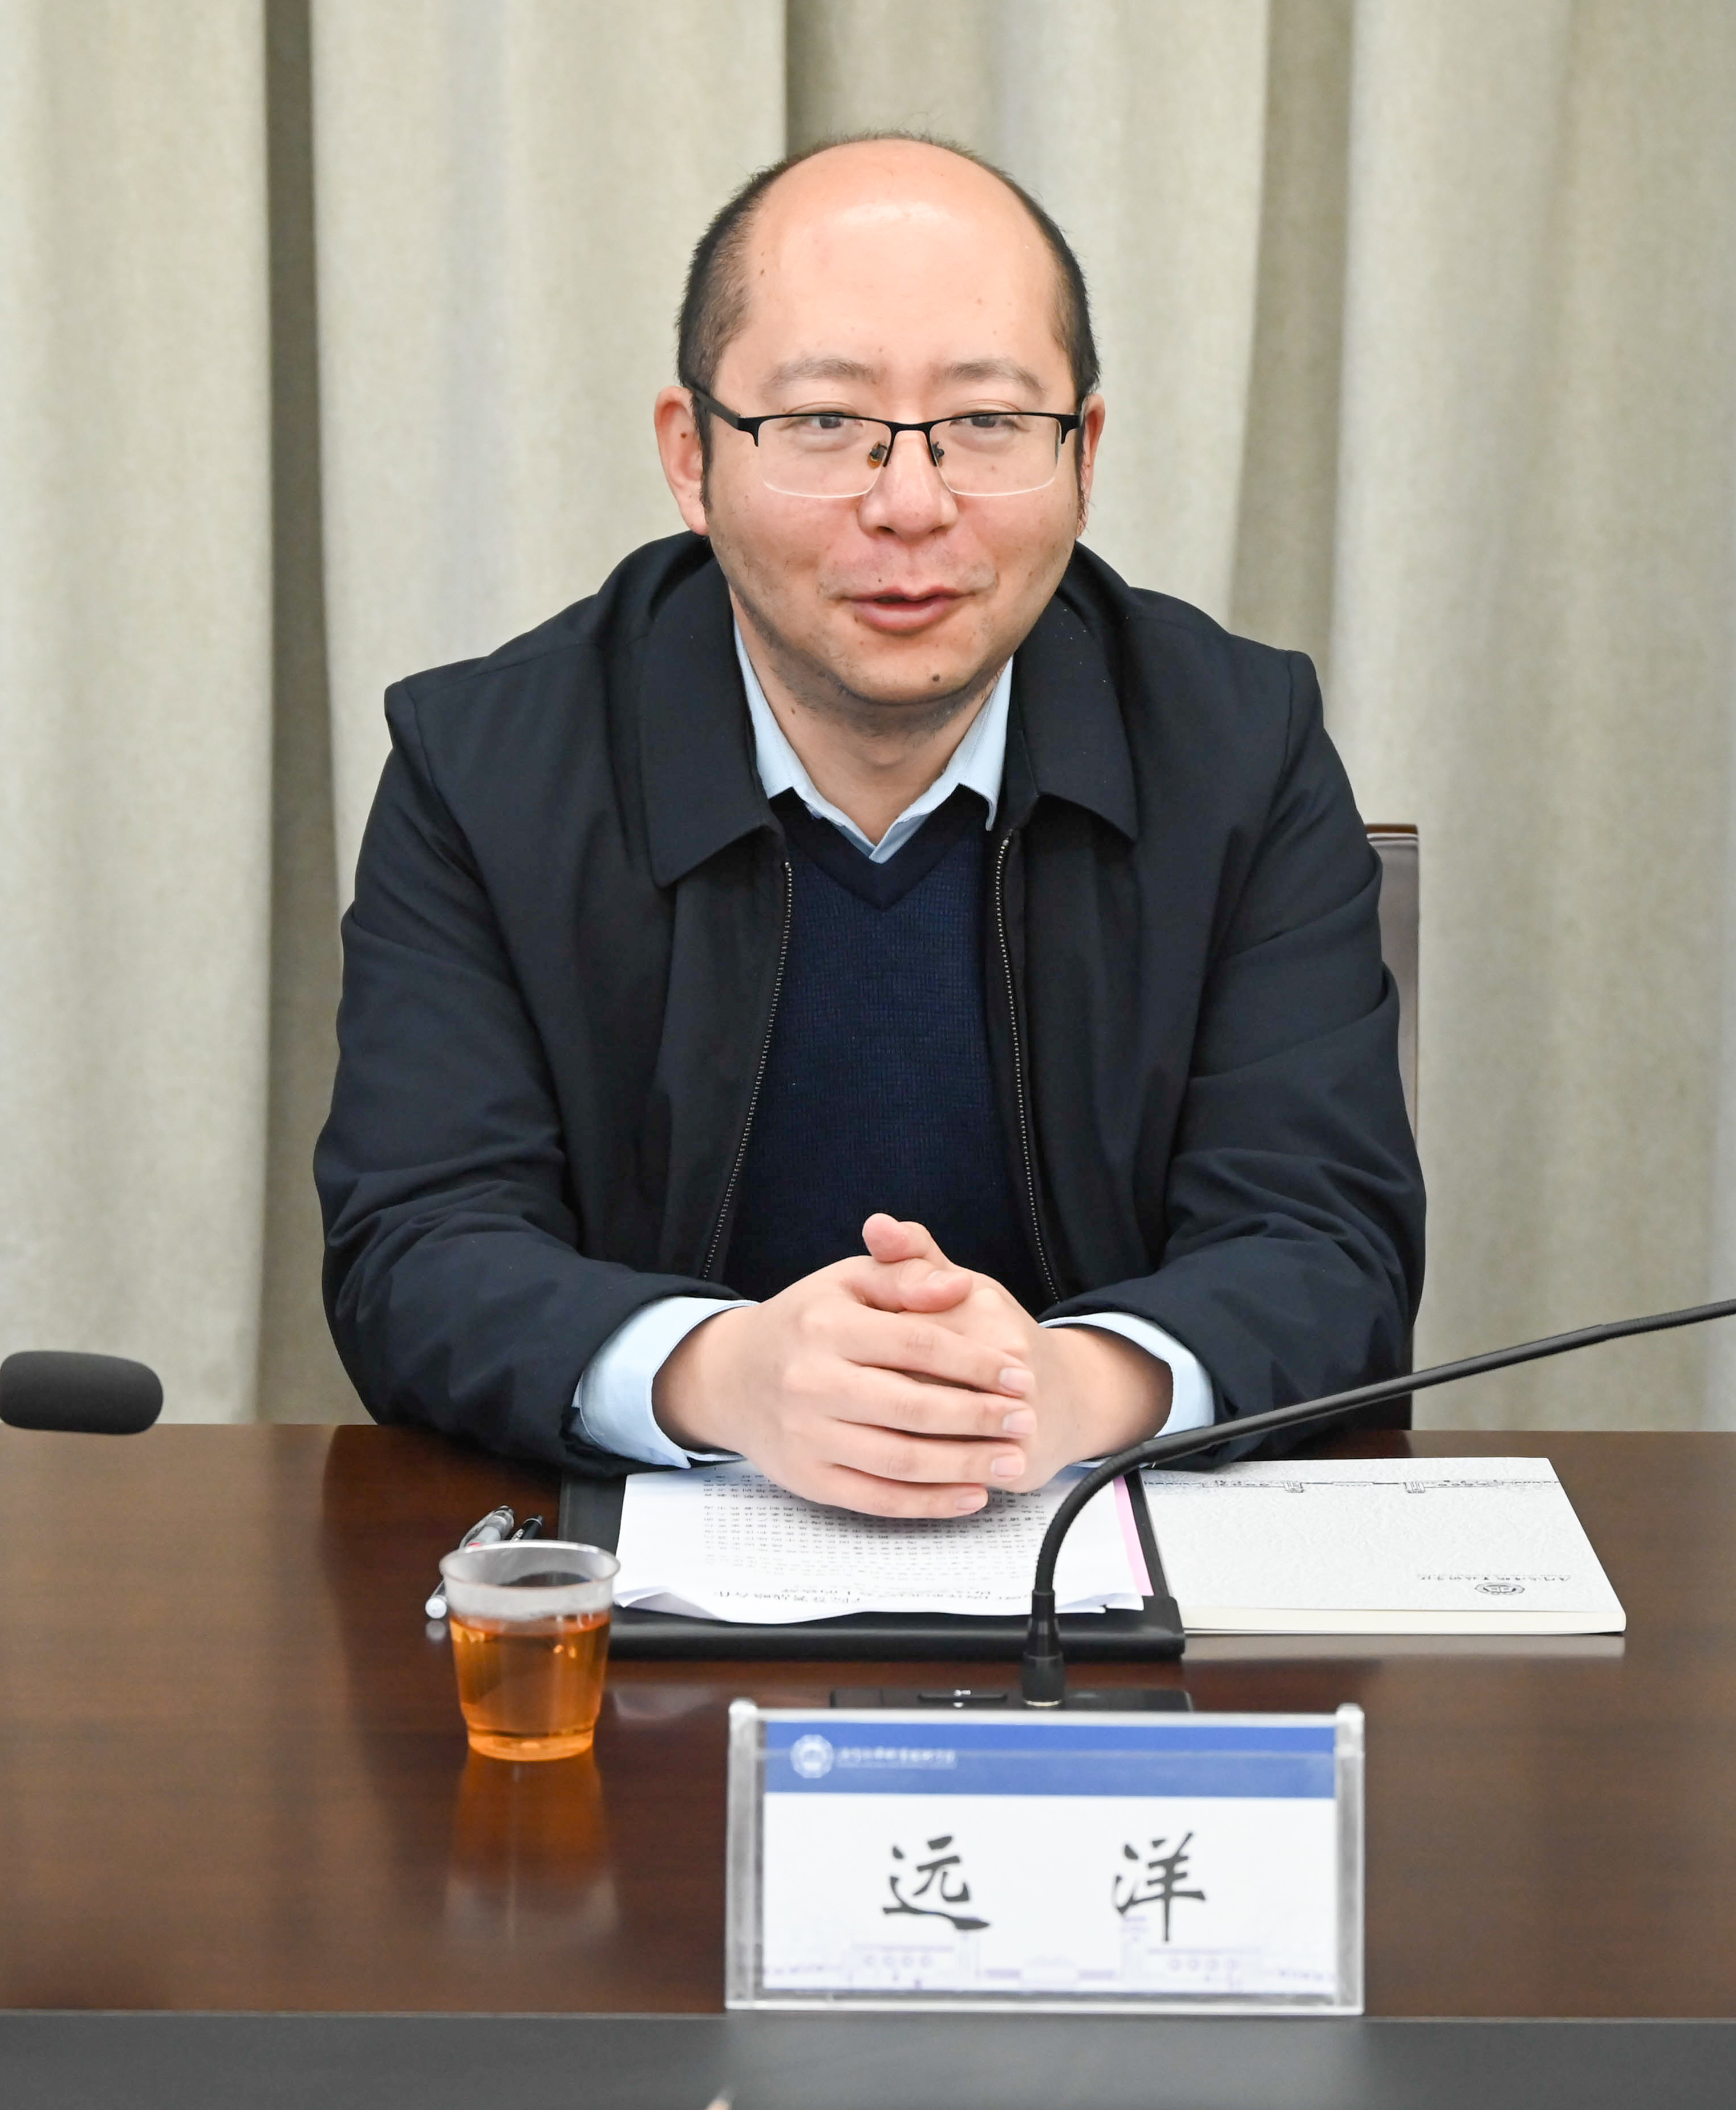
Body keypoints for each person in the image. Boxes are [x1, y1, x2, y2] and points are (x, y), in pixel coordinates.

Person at [316, 135, 1424, 1519]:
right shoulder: (485, 767)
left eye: (987, 421)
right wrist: (722, 1374)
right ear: (691, 457)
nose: (910, 504)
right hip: (637, 1595)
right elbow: (417, 1244)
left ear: (1083, 454)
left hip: (1103, 1558)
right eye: (825, 422)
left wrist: (1064, 1386)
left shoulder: (1240, 748)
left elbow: (1327, 1238)